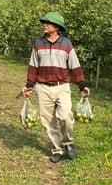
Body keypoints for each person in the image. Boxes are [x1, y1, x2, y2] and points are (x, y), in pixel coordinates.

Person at [22, 11, 90, 163]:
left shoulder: (66, 44)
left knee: (65, 116)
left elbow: (75, 66)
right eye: (44, 22)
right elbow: (33, 65)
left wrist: (82, 85)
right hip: (43, 87)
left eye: (48, 23)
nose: (44, 25)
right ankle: (57, 149)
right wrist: (29, 85)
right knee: (48, 121)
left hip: (62, 86)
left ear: (57, 27)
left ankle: (68, 142)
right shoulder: (38, 43)